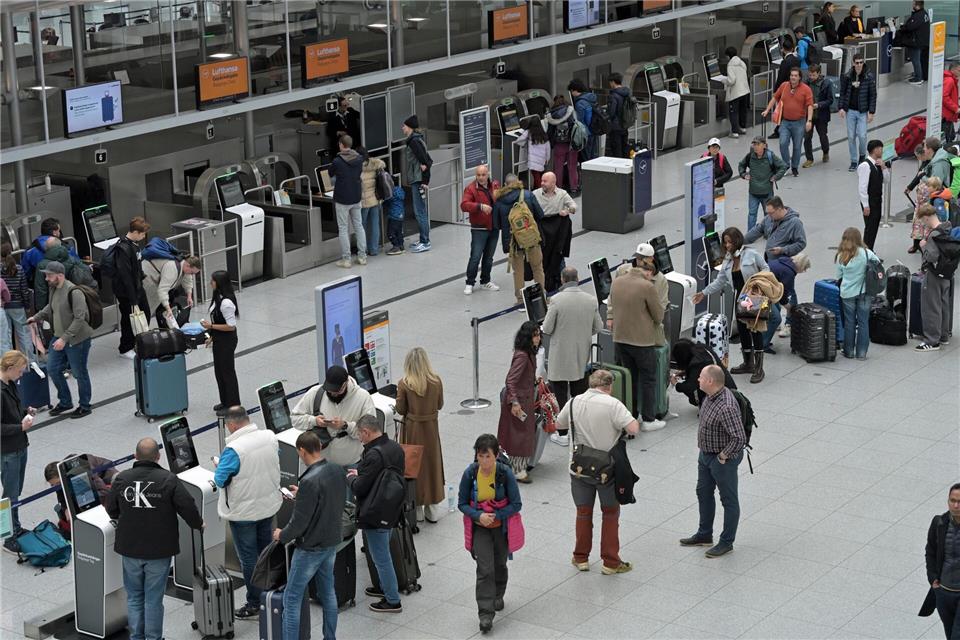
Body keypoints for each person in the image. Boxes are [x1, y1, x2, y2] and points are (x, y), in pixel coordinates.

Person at [106, 438, 203, 640]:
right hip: (159, 549)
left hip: (130, 547)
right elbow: (187, 506)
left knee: (134, 597)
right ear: (158, 457)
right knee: (153, 599)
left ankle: (137, 637)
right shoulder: (168, 479)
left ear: (135, 456)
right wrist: (197, 524)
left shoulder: (122, 478)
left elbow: (111, 509)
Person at [556, 368, 640, 574]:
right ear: (609, 386)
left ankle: (581, 558)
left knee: (583, 513)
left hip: (578, 468)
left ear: (590, 384)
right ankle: (610, 563)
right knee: (610, 513)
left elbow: (559, 424)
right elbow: (633, 429)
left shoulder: (574, 402)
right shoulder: (613, 405)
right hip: (606, 470)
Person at [274, 430, 347, 639]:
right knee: (328, 593)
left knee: (291, 599)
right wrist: (302, 495)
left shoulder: (309, 481)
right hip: (331, 541)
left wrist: (282, 535)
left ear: (302, 451)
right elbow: (327, 500)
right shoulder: (336, 469)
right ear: (320, 447)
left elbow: (299, 523)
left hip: (310, 548)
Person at [213, 406, 282, 619]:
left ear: (233, 425)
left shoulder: (234, 449)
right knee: (265, 552)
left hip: (243, 513)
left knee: (249, 558)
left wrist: (218, 465)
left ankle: (255, 602)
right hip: (267, 505)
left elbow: (220, 480)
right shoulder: (269, 437)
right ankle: (270, 593)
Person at [457, 433, 523, 633]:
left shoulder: (504, 473)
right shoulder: (470, 474)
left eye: (488, 457)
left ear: (496, 456)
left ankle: (498, 594)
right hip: (480, 528)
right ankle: (485, 614)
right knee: (485, 569)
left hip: (500, 528)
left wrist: (496, 515)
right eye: (481, 456)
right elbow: (462, 503)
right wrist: (478, 515)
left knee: (499, 565)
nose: (484, 461)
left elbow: (516, 504)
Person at [679, 365, 746, 558]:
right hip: (705, 455)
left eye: (700, 377)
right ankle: (704, 534)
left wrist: (723, 456)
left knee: (728, 500)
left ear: (710, 381)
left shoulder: (726, 406)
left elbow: (739, 438)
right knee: (703, 492)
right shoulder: (708, 396)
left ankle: (726, 542)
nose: (697, 379)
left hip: (722, 459)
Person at [347, 415, 404, 614]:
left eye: (360, 434)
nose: (359, 438)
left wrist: (351, 478)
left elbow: (360, 487)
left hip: (374, 511)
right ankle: (383, 586)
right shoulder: (395, 448)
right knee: (382, 550)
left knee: (381, 557)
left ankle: (392, 599)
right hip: (391, 508)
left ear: (366, 432)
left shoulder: (373, 455)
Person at [693, 227, 768, 377]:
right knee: (743, 330)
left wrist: (757, 284)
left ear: (737, 241)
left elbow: (766, 269)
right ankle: (748, 363)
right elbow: (720, 281)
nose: (727, 245)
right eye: (725, 242)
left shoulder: (751, 254)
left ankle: (759, 368)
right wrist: (704, 292)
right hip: (740, 299)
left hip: (754, 298)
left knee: (756, 330)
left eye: (730, 242)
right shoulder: (727, 260)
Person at [541, 267, 603, 446]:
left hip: (560, 355)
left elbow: (547, 328)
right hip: (581, 353)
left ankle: (562, 433)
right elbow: (598, 327)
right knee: (579, 393)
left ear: (562, 280)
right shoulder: (590, 300)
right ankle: (579, 431)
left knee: (560, 394)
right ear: (578, 279)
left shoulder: (556, 300)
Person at [606, 255, 666, 430]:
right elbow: (658, 315)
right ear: (648, 272)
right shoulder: (647, 286)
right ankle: (648, 419)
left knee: (629, 378)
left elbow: (612, 305)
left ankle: (631, 416)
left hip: (620, 338)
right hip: (642, 341)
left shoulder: (617, 282)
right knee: (648, 378)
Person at [27, 261, 93, 419]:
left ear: (60, 275)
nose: (46, 278)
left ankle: (85, 405)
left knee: (79, 372)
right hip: (59, 336)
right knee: (53, 369)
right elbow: (51, 307)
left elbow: (80, 318)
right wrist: (37, 317)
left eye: (49, 275)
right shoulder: (53, 289)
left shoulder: (74, 292)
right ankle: (65, 402)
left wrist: (64, 339)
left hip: (77, 340)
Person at [291, 365, 374, 471]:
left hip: (351, 464)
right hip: (321, 466)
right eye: (329, 391)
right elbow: (295, 418)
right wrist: (314, 421)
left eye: (336, 391)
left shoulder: (363, 398)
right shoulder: (315, 393)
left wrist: (345, 426)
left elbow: (370, 432)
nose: (332, 394)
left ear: (345, 384)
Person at [395, 347, 445, 523]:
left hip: (412, 430)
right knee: (432, 465)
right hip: (431, 429)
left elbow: (401, 409)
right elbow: (440, 405)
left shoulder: (404, 384)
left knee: (413, 465)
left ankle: (416, 509)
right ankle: (433, 509)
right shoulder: (436, 381)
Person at [493, 174, 546, 306]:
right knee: (537, 268)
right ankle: (541, 297)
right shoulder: (528, 195)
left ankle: (521, 300)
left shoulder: (500, 200)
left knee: (518, 272)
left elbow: (496, 224)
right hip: (531, 238)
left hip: (513, 242)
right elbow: (540, 214)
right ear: (518, 182)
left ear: (505, 185)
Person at [497, 321, 540, 482]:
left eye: (538, 335)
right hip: (519, 403)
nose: (538, 338)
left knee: (519, 435)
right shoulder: (523, 356)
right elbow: (511, 380)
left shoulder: (527, 353)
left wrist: (533, 380)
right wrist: (515, 402)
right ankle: (518, 470)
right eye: (535, 335)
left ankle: (517, 467)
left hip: (523, 400)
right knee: (520, 437)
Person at [1, 350, 35, 553]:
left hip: (20, 445)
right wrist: (20, 427)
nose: (21, 375)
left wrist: (25, 412)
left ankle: (15, 527)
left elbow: (14, 410)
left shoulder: (10, 384)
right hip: (8, 451)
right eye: (20, 371)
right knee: (10, 495)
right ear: (10, 368)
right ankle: (8, 537)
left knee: (16, 492)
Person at [920, 483, 960, 639]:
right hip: (943, 592)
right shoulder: (939, 523)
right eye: (952, 500)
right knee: (950, 634)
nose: (956, 505)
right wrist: (932, 578)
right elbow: (930, 551)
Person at [44, 453, 115, 538]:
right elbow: (61, 495)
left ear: (64, 476)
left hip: (106, 476)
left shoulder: (84, 472)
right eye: (53, 485)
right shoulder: (60, 477)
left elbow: (104, 493)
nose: (56, 486)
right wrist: (66, 508)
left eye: (58, 483)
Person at [914, 205, 954, 352]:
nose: (924, 225)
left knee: (931, 306)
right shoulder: (947, 228)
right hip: (947, 273)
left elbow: (931, 257)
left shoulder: (933, 235)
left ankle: (932, 340)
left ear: (926, 218)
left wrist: (923, 246)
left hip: (934, 274)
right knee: (943, 304)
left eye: (923, 222)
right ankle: (943, 335)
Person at [833, 227, 877, 360]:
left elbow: (839, 276)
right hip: (865, 292)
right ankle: (862, 353)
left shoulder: (841, 256)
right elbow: (877, 266)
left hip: (847, 293)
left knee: (849, 322)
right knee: (863, 322)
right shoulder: (867, 253)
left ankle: (849, 351)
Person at [762, 67, 813, 177]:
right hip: (785, 122)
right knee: (783, 143)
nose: (793, 77)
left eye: (795, 76)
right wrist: (767, 110)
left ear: (799, 77)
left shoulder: (806, 89)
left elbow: (810, 105)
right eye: (791, 75)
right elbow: (775, 97)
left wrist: (809, 120)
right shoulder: (784, 86)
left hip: (799, 122)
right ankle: (785, 164)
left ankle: (794, 167)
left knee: (797, 146)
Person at [201, 270, 239, 413]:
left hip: (227, 341)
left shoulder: (226, 303)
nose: (210, 283)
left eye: (213, 280)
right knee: (219, 372)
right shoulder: (218, 297)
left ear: (219, 283)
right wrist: (212, 336)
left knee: (227, 372)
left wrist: (211, 326)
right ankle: (225, 401)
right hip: (219, 339)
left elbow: (231, 326)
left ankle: (233, 404)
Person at [461, 164, 501, 295]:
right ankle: (469, 282)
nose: (481, 177)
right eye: (478, 175)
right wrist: (480, 206)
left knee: (489, 257)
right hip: (479, 228)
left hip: (494, 227)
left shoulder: (494, 185)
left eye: (483, 174)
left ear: (488, 174)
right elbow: (464, 205)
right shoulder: (470, 189)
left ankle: (485, 281)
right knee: (475, 256)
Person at [533, 171, 577, 292]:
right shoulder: (535, 194)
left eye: (545, 181)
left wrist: (568, 210)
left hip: (557, 231)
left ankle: (566, 283)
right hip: (543, 230)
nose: (542, 183)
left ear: (553, 183)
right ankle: (544, 284)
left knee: (558, 256)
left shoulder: (562, 194)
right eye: (542, 181)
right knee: (543, 257)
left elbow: (574, 206)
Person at [328, 134, 367, 269]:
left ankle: (346, 259)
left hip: (342, 198)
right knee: (359, 226)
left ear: (341, 145)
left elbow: (330, 173)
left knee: (343, 228)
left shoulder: (337, 161)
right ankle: (362, 256)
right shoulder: (359, 158)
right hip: (356, 196)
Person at [114, 216, 150, 360]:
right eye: (142, 234)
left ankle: (137, 342)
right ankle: (125, 347)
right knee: (129, 319)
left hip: (137, 287)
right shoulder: (123, 249)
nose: (143, 237)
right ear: (135, 232)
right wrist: (133, 298)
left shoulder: (134, 245)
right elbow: (125, 275)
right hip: (127, 292)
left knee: (145, 313)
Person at [738, 136, 787, 230]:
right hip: (753, 192)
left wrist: (776, 177)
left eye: (758, 144)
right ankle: (750, 233)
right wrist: (743, 174)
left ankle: (768, 232)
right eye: (754, 144)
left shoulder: (770, 156)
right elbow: (741, 165)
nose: (755, 146)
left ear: (764, 145)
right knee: (752, 214)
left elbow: (783, 166)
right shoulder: (750, 156)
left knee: (768, 214)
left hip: (767, 193)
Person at [838, 53, 877, 172]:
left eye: (861, 62)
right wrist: (841, 107)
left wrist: (871, 112)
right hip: (850, 110)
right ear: (853, 63)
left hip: (862, 112)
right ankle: (854, 161)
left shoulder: (868, 77)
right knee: (851, 136)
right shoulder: (847, 76)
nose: (859, 65)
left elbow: (873, 95)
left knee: (862, 135)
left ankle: (862, 155)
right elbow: (843, 92)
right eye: (857, 63)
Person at [400, 115, 433, 253]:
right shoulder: (415, 140)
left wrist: (425, 181)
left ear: (409, 127)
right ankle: (423, 239)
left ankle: (425, 241)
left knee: (420, 211)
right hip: (418, 179)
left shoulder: (414, 142)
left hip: (418, 180)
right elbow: (427, 161)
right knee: (420, 210)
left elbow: (426, 161)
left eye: (404, 126)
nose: (402, 128)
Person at [763, 252, 812, 345]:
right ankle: (763, 345)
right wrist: (787, 305)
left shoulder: (784, 262)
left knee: (776, 309)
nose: (804, 271)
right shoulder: (789, 273)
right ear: (801, 265)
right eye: (805, 268)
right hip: (763, 293)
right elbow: (784, 293)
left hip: (764, 289)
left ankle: (763, 339)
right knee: (776, 318)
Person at [669, 339, 735, 407]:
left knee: (693, 392)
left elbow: (690, 387)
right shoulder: (702, 348)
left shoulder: (696, 364)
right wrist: (686, 371)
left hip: (722, 398)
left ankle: (707, 404)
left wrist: (676, 384)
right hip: (728, 388)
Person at [142, 253, 200, 328]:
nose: (191, 275)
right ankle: (140, 331)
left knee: (148, 311)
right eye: (192, 272)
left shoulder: (183, 265)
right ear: (188, 265)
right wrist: (168, 309)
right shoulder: (172, 268)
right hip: (147, 280)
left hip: (156, 283)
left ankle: (142, 328)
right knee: (145, 311)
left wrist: (189, 296)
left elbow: (188, 281)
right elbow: (163, 290)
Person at [744, 197, 808, 261]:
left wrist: (783, 250)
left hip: (783, 262)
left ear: (779, 209)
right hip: (769, 260)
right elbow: (757, 230)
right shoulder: (769, 218)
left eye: (771, 213)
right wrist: (741, 240)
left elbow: (801, 243)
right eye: (768, 213)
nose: (769, 215)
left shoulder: (795, 222)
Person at [33, 237, 89, 310]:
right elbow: (86, 270)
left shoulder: (42, 265)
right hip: (74, 297)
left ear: (46, 248)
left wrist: (40, 309)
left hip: (56, 303)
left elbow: (41, 290)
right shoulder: (71, 258)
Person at [1, 245, 35, 363]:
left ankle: (10, 363)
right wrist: (27, 305)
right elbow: (24, 289)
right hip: (18, 305)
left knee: (6, 336)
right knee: (24, 334)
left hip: (3, 306)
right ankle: (30, 361)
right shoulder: (19, 268)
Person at [19, 217, 79, 283]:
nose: (59, 233)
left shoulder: (29, 251)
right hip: (63, 284)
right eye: (59, 230)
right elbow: (77, 266)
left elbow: (26, 273)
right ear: (54, 232)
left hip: (40, 284)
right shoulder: (65, 248)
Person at [858, 139, 891, 250]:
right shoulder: (865, 166)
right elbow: (862, 187)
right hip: (870, 202)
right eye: (880, 149)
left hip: (877, 201)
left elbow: (886, 180)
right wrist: (865, 205)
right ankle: (866, 251)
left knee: (874, 227)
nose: (882, 151)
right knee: (870, 228)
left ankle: (870, 250)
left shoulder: (878, 164)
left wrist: (884, 167)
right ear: (875, 150)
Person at [546, 95, 580, 193]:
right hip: (571, 144)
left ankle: (558, 187)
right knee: (572, 166)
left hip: (559, 145)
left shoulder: (552, 115)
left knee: (558, 167)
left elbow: (550, 132)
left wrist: (551, 144)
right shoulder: (571, 112)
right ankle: (574, 187)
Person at [802, 64, 834, 168]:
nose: (811, 77)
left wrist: (819, 105)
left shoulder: (826, 83)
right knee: (807, 137)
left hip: (821, 115)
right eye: (810, 75)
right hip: (808, 115)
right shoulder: (806, 83)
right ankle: (809, 159)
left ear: (819, 73)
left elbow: (830, 100)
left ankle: (825, 151)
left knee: (823, 136)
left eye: (814, 75)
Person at [767, 40, 799, 140]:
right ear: (792, 48)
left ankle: (779, 130)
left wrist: (776, 90)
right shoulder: (796, 60)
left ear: (783, 49)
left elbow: (780, 77)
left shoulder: (785, 62)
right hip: (795, 87)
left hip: (785, 89)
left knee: (782, 110)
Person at [359, 146, 386, 258]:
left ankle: (363, 249)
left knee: (362, 226)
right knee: (375, 224)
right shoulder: (375, 164)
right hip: (375, 199)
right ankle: (374, 249)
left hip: (364, 202)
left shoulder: (357, 168)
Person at [900, 0, 931, 86]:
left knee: (916, 60)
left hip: (916, 42)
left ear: (917, 5)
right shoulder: (925, 13)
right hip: (924, 41)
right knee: (922, 60)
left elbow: (910, 27)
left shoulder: (917, 15)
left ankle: (918, 78)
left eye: (913, 4)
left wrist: (903, 27)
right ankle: (923, 75)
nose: (912, 5)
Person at [722, 46, 750, 137]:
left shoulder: (730, 65)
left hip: (736, 92)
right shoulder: (742, 63)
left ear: (728, 56)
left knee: (733, 111)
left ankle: (734, 132)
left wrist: (724, 80)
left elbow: (732, 80)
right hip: (745, 90)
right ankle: (743, 128)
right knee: (743, 110)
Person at [568, 78, 599, 160]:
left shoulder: (580, 103)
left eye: (571, 91)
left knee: (586, 158)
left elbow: (580, 121)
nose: (571, 94)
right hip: (594, 131)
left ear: (574, 90)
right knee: (593, 157)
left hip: (586, 134)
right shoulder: (590, 98)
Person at [516, 116, 550, 188]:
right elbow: (548, 148)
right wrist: (547, 158)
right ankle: (537, 189)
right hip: (542, 159)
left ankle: (540, 191)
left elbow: (519, 141)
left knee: (536, 177)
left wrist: (524, 144)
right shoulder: (543, 134)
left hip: (533, 161)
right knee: (540, 176)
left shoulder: (528, 132)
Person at [605, 72, 632, 158]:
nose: (610, 84)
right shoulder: (627, 93)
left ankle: (619, 165)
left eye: (610, 82)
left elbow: (611, 112)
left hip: (615, 127)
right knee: (624, 148)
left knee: (616, 150)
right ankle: (626, 165)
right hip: (625, 124)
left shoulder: (614, 95)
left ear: (613, 82)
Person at [384, 184, 407, 256]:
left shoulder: (391, 194)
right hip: (400, 215)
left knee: (390, 232)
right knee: (399, 232)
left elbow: (386, 201)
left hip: (393, 216)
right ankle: (401, 246)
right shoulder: (400, 192)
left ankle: (396, 246)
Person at [943, 63, 960, 143]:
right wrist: (955, 108)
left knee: (951, 135)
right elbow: (944, 96)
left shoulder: (951, 79)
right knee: (949, 137)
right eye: (959, 70)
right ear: (953, 70)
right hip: (947, 114)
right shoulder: (950, 80)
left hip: (948, 113)